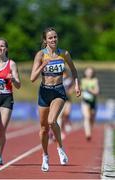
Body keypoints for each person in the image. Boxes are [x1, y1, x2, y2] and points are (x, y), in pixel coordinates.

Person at [30, 27, 81, 172]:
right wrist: (42, 66)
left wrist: (76, 85)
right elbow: (33, 78)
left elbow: (74, 71)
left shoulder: (63, 54)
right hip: (44, 92)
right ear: (45, 40)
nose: (53, 40)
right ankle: (45, 156)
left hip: (58, 91)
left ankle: (60, 147)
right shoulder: (40, 55)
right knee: (44, 129)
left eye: (55, 37)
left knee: (52, 121)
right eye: (50, 38)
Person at [81, 67, 100, 141]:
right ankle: (87, 133)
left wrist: (90, 90)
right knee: (87, 117)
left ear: (93, 73)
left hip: (93, 101)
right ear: (85, 72)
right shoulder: (82, 80)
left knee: (92, 118)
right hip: (85, 101)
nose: (89, 73)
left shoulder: (95, 80)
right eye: (88, 72)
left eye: (91, 72)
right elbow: (80, 90)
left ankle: (90, 129)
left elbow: (97, 91)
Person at [57, 69, 74, 139]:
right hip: (60, 99)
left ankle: (67, 122)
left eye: (64, 73)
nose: (63, 74)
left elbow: (73, 87)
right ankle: (60, 132)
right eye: (62, 73)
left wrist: (70, 90)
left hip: (67, 99)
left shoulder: (69, 80)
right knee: (60, 116)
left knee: (67, 113)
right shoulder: (58, 79)